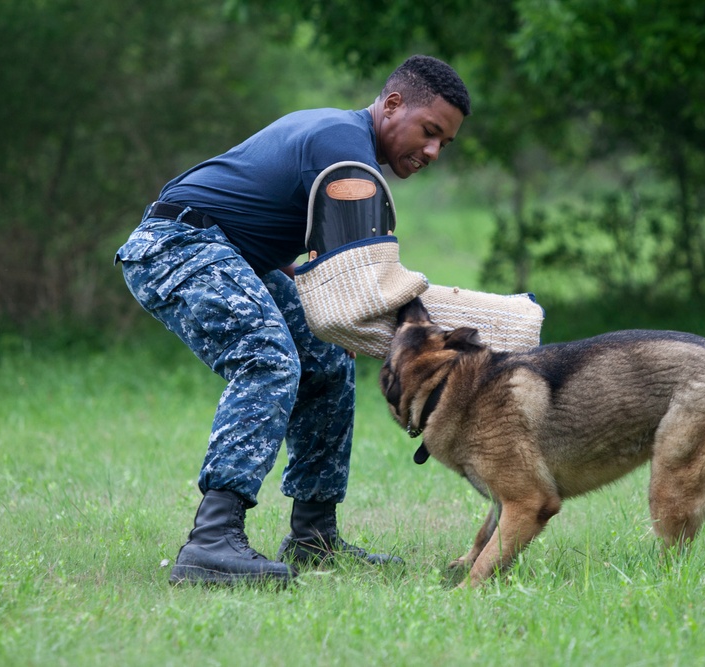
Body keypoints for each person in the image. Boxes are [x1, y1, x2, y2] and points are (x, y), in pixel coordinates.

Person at [115, 55, 471, 586]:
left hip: (230, 251)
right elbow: (366, 275)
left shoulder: (346, 147)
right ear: (392, 104)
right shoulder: (342, 146)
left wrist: (337, 323)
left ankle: (313, 538)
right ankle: (211, 541)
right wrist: (462, 328)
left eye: (444, 142)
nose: (433, 151)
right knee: (267, 358)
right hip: (177, 244)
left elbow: (307, 251)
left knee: (326, 360)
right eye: (429, 132)